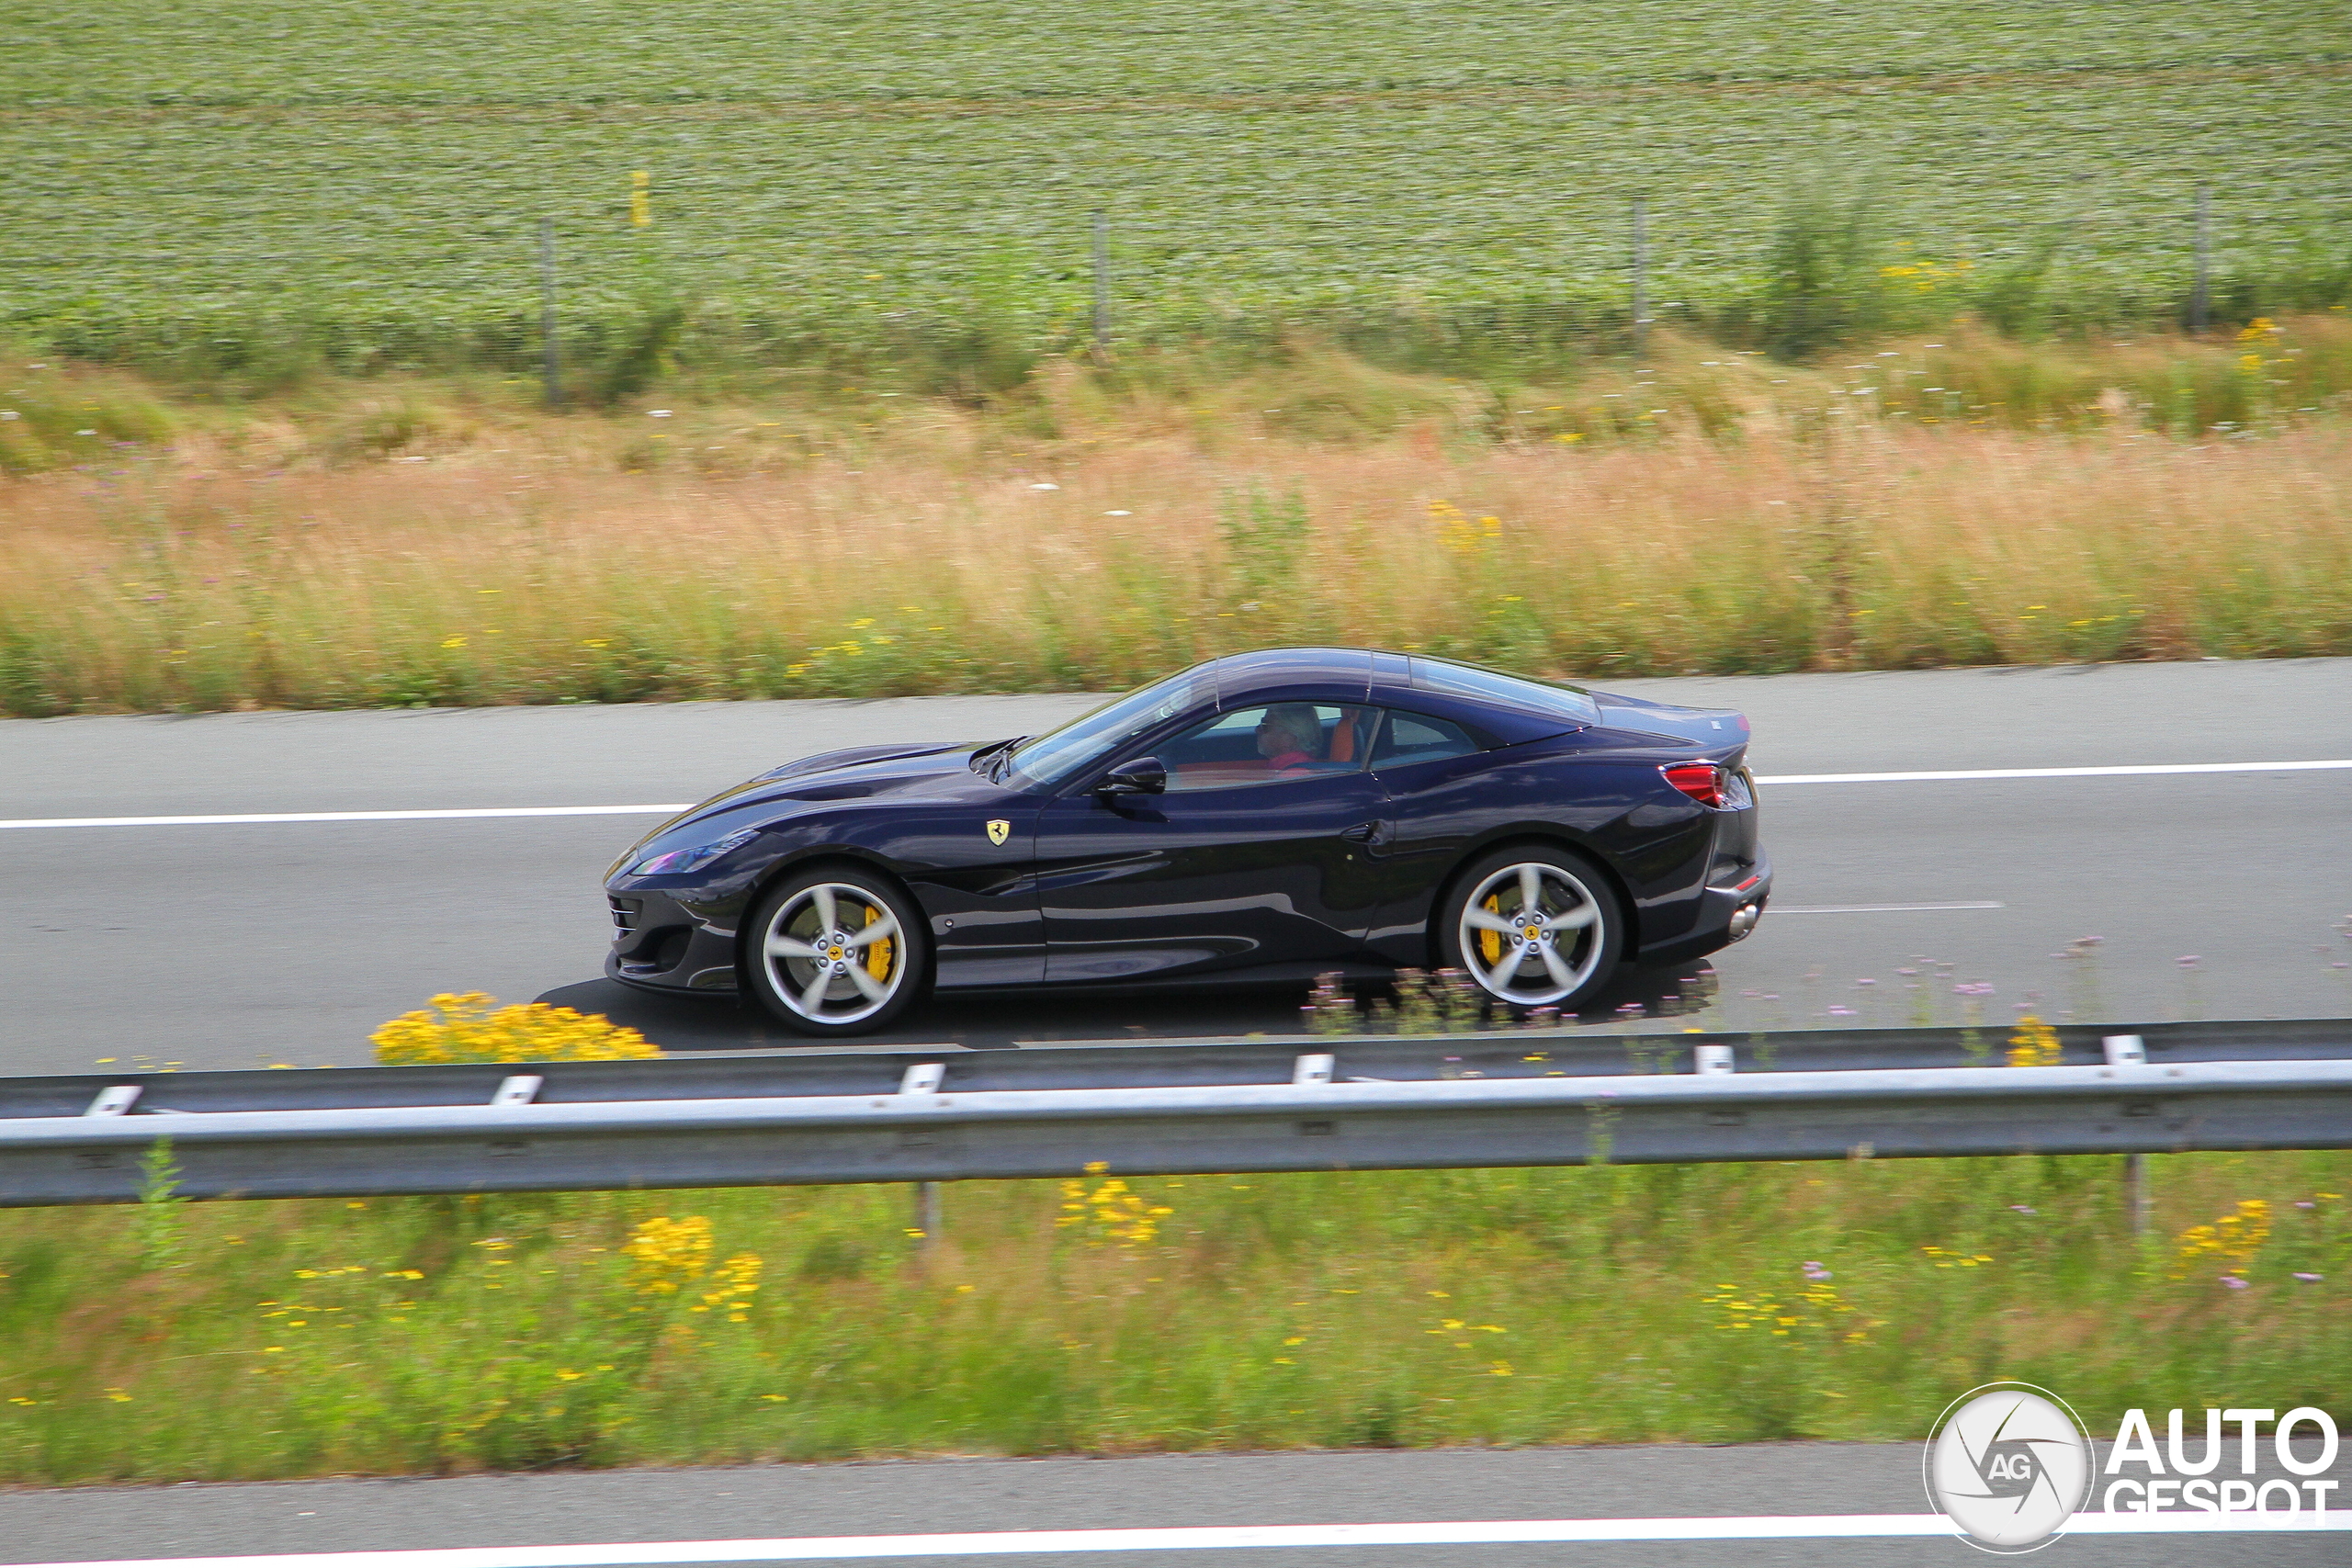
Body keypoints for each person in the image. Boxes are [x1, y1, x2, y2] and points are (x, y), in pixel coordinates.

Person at [1255, 705, 1323, 773]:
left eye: (1265, 726)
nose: (1257, 730)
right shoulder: (1287, 767)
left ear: (1289, 737)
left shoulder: (1294, 774)